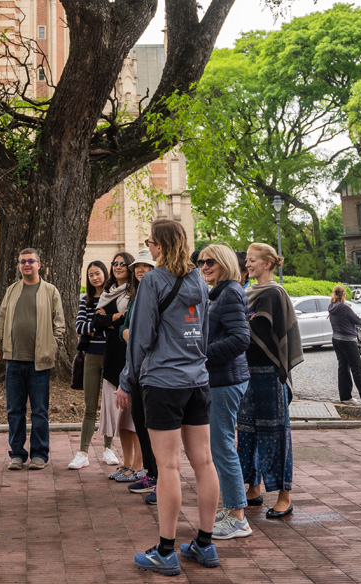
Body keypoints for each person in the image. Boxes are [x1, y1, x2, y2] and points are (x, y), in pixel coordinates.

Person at [118, 219, 220, 576]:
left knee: (169, 468)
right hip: (197, 381)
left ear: (159, 245)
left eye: (149, 241)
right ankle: (205, 544)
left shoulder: (154, 282)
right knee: (204, 462)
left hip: (163, 383)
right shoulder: (198, 281)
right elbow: (204, 335)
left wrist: (126, 380)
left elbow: (141, 338)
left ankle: (165, 550)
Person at [238, 242, 303, 519]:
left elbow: (259, 327)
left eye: (253, 260)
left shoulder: (274, 292)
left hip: (268, 373)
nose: (248, 264)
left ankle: (284, 496)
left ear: (267, 264)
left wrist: (234, 323)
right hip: (246, 373)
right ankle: (253, 488)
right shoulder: (247, 291)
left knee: (274, 435)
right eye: (247, 260)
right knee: (247, 433)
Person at [0, 248, 65, 470]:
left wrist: (52, 348)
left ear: (39, 265)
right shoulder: (12, 290)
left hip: (39, 362)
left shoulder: (50, 291)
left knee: (39, 411)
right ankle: (17, 454)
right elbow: (1, 320)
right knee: (15, 410)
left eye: (31, 261)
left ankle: (40, 454)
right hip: (14, 361)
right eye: (23, 261)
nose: (26, 265)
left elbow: (59, 324)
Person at [198, 244, 252, 539]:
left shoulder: (229, 292)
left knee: (222, 447)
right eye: (201, 262)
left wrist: (201, 355)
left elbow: (240, 339)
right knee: (219, 446)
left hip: (226, 380)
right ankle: (232, 508)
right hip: (221, 379)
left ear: (224, 263)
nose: (204, 266)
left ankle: (238, 517)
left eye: (210, 262)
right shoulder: (218, 292)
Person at [94, 251, 142, 482]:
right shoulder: (107, 291)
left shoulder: (136, 291)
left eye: (123, 263)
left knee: (134, 416)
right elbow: (96, 321)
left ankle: (138, 465)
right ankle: (126, 463)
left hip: (130, 356)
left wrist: (111, 318)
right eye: (115, 263)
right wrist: (115, 318)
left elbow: (130, 321)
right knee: (121, 416)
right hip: (112, 355)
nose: (118, 266)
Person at [118, 249, 159, 503]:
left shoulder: (155, 293)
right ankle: (149, 472)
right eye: (138, 267)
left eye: (146, 266)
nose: (141, 271)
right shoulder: (135, 296)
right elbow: (126, 325)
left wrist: (133, 335)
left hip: (152, 369)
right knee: (140, 419)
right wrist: (125, 332)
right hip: (135, 366)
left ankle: (158, 476)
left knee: (153, 425)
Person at [69, 260, 117, 470]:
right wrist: (104, 323)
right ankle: (83, 452)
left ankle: (108, 448)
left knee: (109, 405)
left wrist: (98, 325)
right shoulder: (85, 301)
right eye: (91, 275)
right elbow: (79, 326)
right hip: (91, 356)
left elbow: (117, 325)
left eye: (98, 273)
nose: (95, 278)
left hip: (112, 356)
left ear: (105, 274)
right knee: (90, 406)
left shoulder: (114, 298)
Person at [329, 285, 361, 406]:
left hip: (336, 339)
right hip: (348, 341)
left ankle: (345, 396)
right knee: (357, 369)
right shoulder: (344, 308)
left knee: (343, 368)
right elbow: (357, 320)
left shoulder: (331, 307)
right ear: (343, 295)